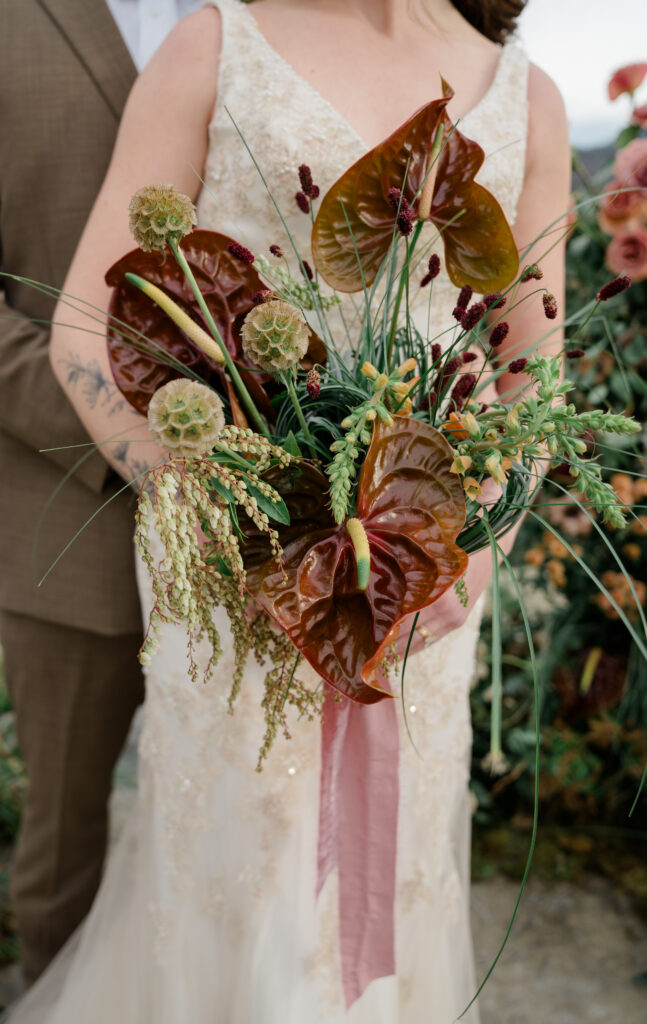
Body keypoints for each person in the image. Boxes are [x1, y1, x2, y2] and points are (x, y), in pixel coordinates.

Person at [7, 0, 570, 1020]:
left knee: (391, 882)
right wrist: (215, 512)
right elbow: (85, 331)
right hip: (235, 576)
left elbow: (535, 370)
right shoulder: (217, 44)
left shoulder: (527, 95)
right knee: (239, 868)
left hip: (423, 600)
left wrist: (473, 547)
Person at [0, 0, 203, 987]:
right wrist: (124, 436)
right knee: (62, 854)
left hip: (267, 546)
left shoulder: (281, 16)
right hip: (62, 525)